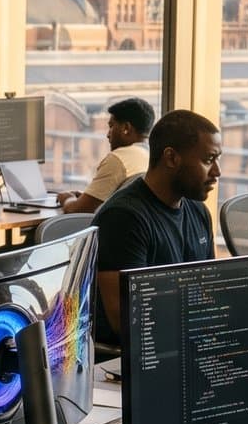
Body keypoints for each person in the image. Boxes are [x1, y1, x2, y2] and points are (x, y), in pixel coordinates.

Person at [90, 109, 219, 345]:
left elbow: (208, 293)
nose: (217, 172)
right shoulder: (123, 218)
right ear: (171, 158)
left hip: (182, 342)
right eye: (208, 160)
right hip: (128, 357)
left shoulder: (199, 212)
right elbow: (128, 321)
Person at [60, 97, 154, 214]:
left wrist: (66, 198)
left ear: (126, 128)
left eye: (111, 126)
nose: (107, 135)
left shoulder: (120, 158)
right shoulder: (152, 154)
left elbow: (76, 209)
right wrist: (89, 196)